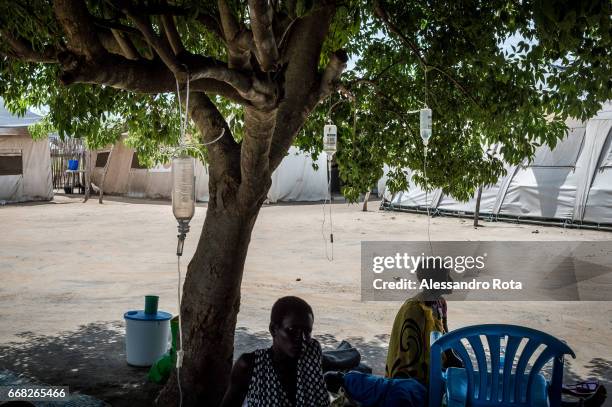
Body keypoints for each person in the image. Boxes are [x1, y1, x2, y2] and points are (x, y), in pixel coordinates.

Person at [221, 296, 330, 407]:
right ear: (273, 329)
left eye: (307, 332)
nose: (301, 339)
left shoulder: (312, 353)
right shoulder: (250, 366)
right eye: (292, 330)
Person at [385, 262, 462, 382]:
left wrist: (454, 361)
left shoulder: (440, 303)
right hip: (410, 377)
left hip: (434, 366)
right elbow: (410, 355)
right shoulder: (414, 309)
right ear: (434, 280)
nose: (452, 281)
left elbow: (445, 337)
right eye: (447, 276)